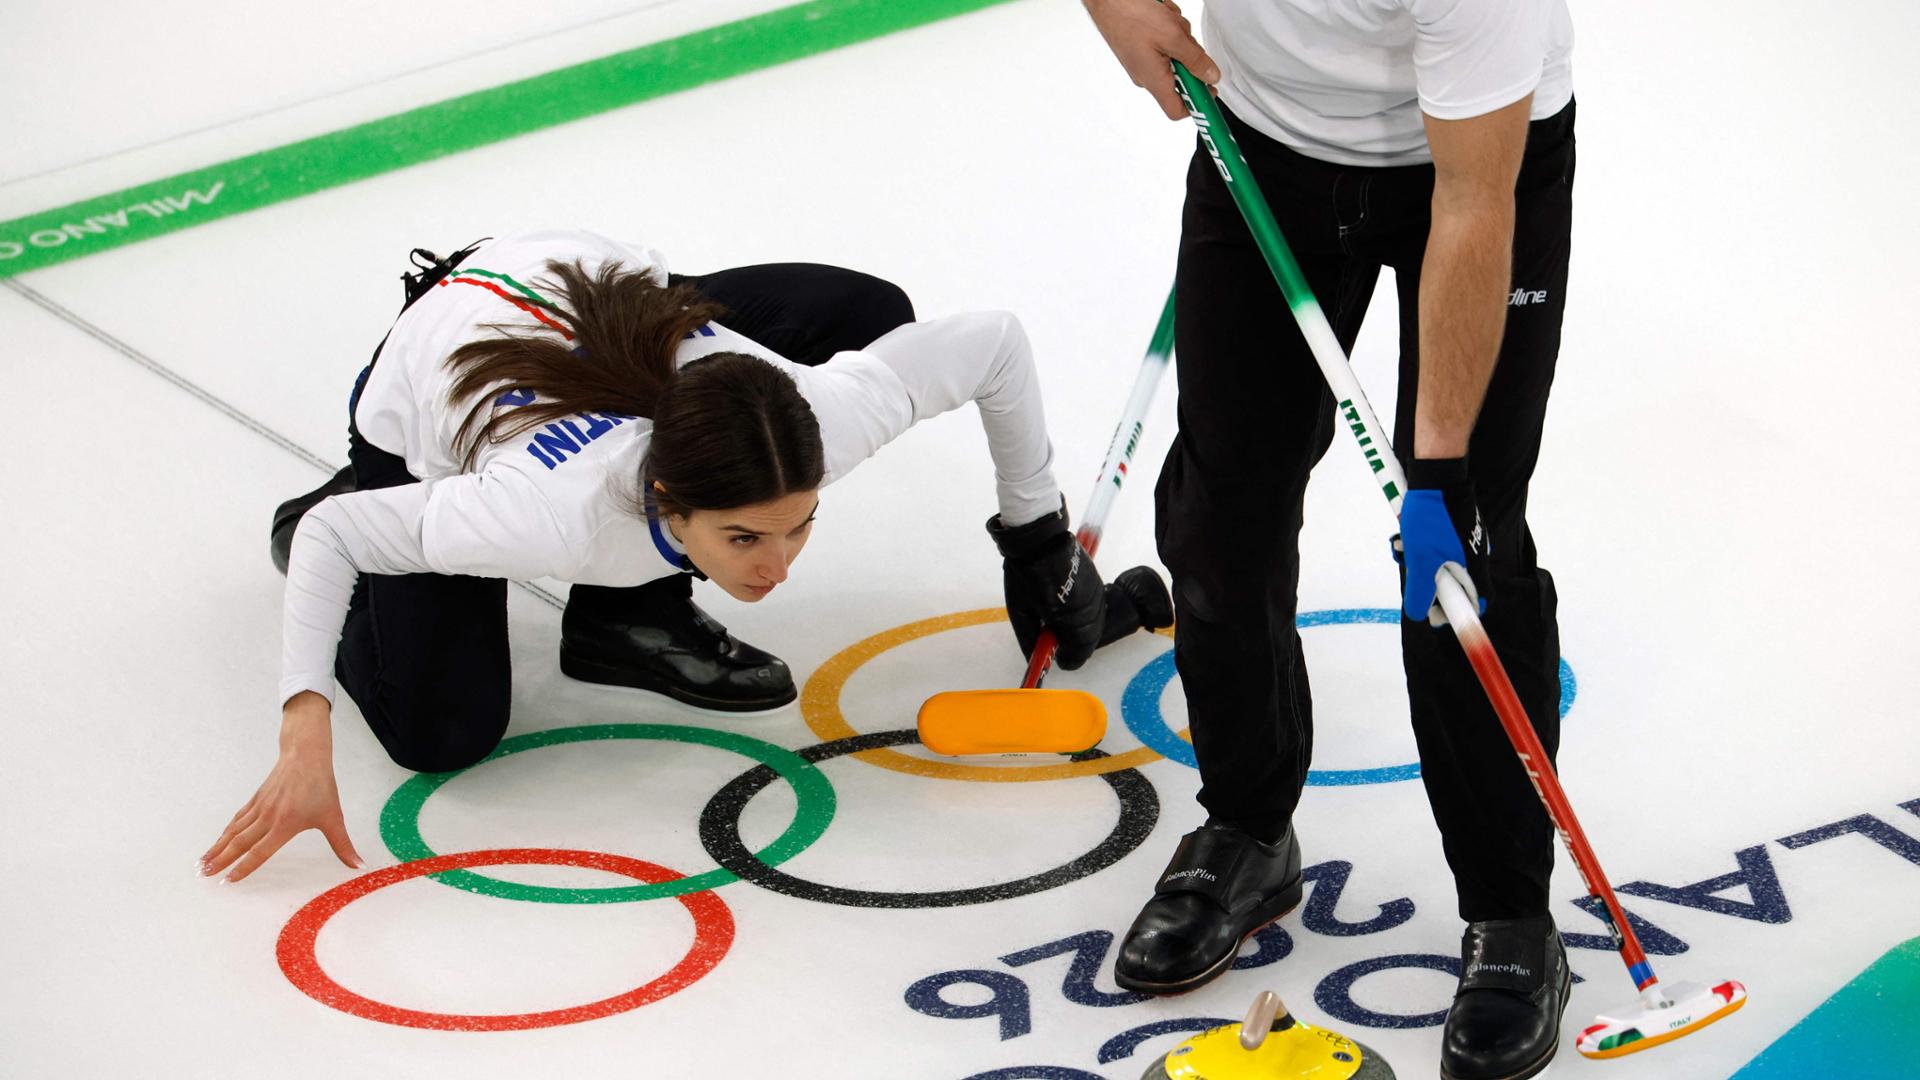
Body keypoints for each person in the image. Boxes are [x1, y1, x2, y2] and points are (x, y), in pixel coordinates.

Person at [203, 229, 1172, 885]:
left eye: (799, 523)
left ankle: (621, 618)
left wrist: (1037, 538)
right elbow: (337, 546)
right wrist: (305, 734)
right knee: (443, 731)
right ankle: (377, 493)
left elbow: (995, 345)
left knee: (876, 310)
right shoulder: (543, 513)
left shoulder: (821, 417)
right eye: (744, 539)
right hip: (432, 369)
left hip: (597, 296)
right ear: (666, 500)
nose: (778, 565)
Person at [1081, 2, 1576, 1077]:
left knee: (1463, 555)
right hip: (1263, 145)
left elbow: (1473, 205)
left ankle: (1512, 915)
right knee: (1219, 518)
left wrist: (1436, 475)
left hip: (1476, 176)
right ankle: (1249, 834)